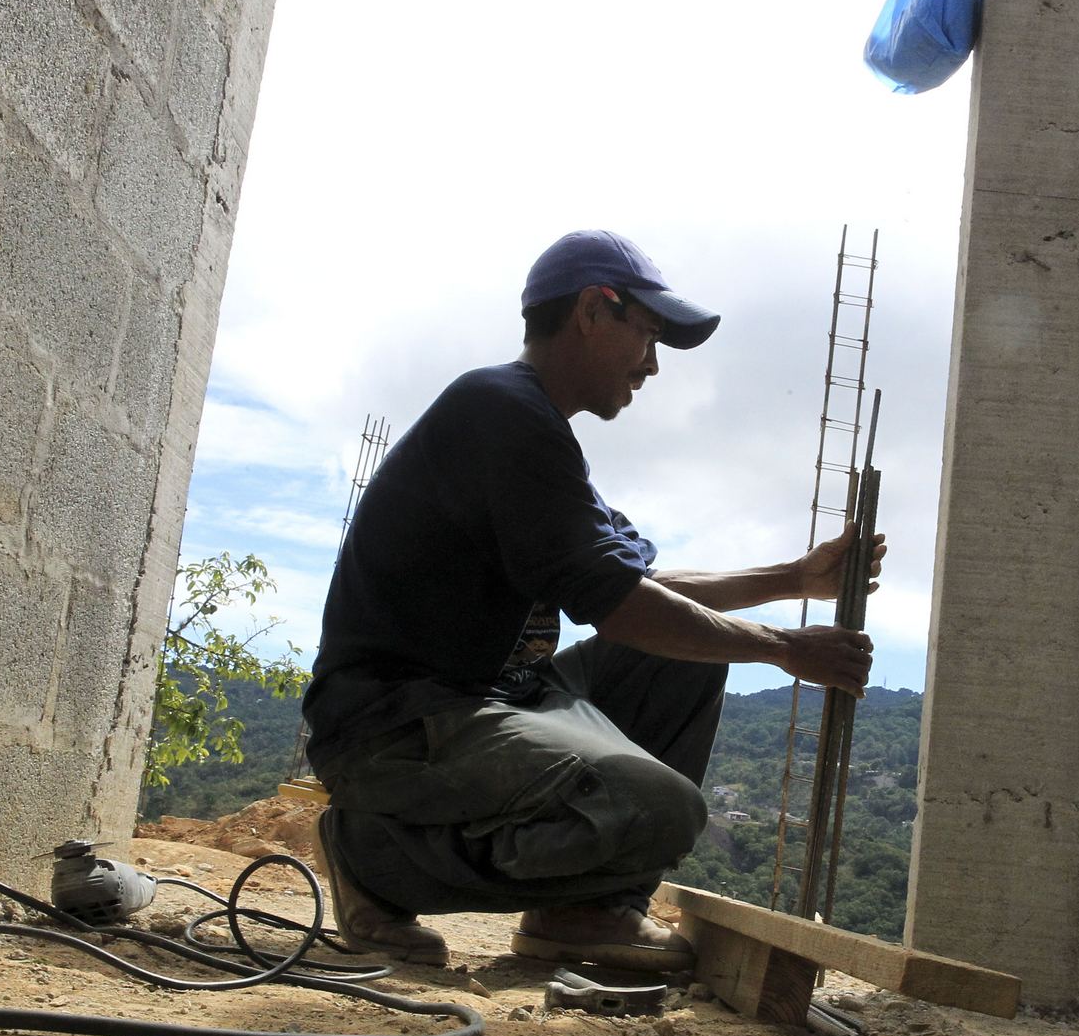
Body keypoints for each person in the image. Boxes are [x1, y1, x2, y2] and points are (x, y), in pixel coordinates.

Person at [300, 230, 881, 971]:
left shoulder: (538, 433)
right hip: (395, 721)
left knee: (689, 657)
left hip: (496, 697)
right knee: (662, 807)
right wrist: (786, 648)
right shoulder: (499, 411)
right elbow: (621, 606)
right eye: (648, 335)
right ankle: (373, 858)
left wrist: (795, 580)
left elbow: (639, 591)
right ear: (591, 310)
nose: (653, 364)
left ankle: (582, 913)